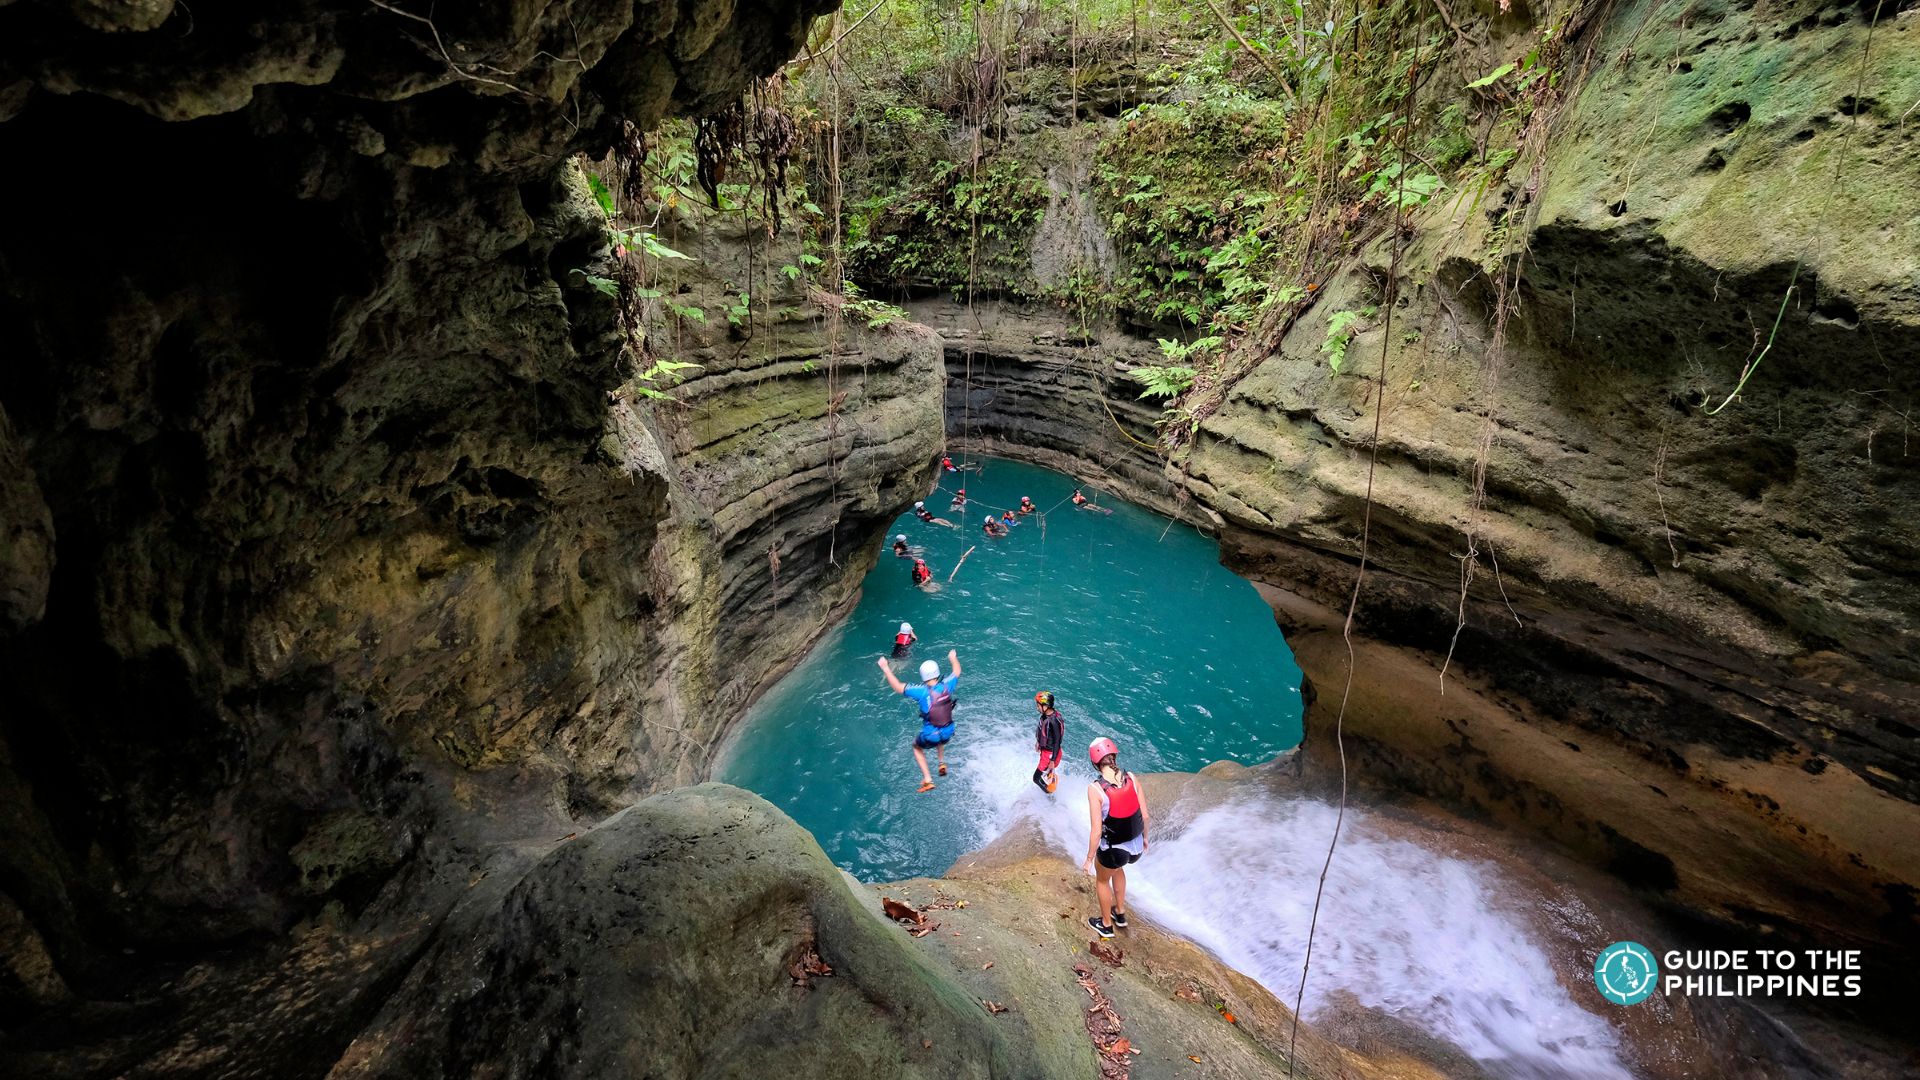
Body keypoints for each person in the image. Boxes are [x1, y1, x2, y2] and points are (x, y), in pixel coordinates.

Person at [1082, 737, 1148, 939]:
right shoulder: (1131, 777)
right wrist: (1144, 839)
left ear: (1095, 762)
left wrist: (1089, 859)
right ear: (1114, 756)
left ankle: (1106, 925)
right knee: (1117, 869)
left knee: (1102, 880)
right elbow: (1144, 815)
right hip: (1135, 848)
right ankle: (1119, 912)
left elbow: (1096, 830)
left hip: (1114, 851)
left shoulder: (1095, 789)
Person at [876, 651, 962, 792]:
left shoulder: (921, 691)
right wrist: (953, 658)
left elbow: (897, 687)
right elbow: (957, 670)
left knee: (916, 746)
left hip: (931, 734)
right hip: (948, 731)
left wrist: (885, 668)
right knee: (940, 734)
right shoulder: (947, 685)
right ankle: (941, 763)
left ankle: (928, 779)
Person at [1032, 692, 1064, 793]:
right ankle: (1050, 778)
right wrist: (1038, 742)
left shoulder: (1053, 721)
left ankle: (1050, 795)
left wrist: (1052, 760)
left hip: (1050, 755)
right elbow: (1044, 732)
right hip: (1046, 752)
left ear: (1045, 706)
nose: (1037, 708)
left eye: (1038, 706)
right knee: (1043, 774)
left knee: (1036, 778)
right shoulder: (1045, 715)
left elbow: (1057, 741)